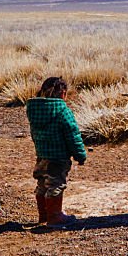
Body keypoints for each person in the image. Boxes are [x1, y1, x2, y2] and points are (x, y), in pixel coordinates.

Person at [26, 76, 87, 226]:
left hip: (42, 155)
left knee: (42, 183)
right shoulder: (63, 111)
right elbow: (73, 135)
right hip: (58, 157)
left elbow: (34, 134)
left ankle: (44, 216)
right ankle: (55, 217)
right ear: (63, 93)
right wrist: (80, 154)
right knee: (56, 185)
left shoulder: (34, 110)